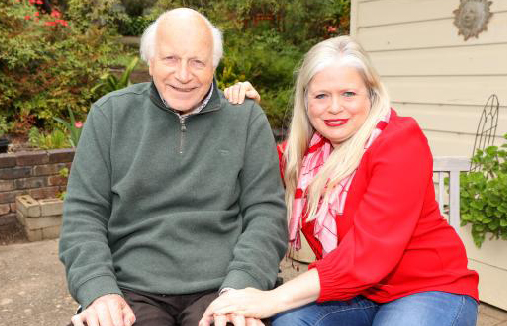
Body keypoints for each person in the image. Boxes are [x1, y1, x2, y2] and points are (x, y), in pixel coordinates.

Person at [200, 35, 479, 326]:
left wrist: (270, 299)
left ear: (371, 94)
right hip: (355, 295)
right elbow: (249, 164)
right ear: (305, 101)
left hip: (429, 289)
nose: (334, 107)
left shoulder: (399, 142)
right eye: (321, 95)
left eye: (348, 94)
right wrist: (242, 115)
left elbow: (366, 255)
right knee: (289, 322)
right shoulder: (305, 155)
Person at [59, 8, 288, 326]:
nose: (184, 74)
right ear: (150, 61)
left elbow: (266, 217)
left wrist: (241, 287)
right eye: (170, 59)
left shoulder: (245, 120)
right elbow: (83, 217)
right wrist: (99, 292)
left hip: (222, 288)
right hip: (131, 291)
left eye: (197, 61)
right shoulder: (110, 115)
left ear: (213, 65)